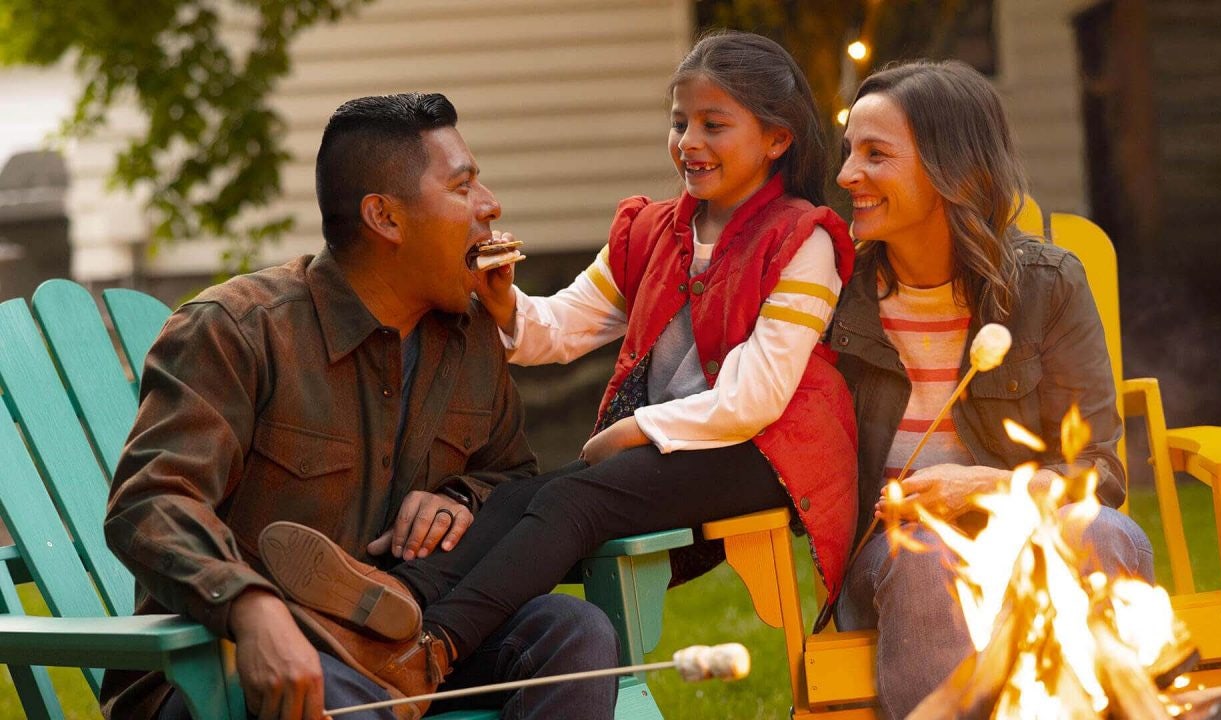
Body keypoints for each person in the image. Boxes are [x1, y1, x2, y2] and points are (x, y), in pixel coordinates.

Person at [254, 29, 860, 695]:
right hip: (668, 453)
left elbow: (758, 396)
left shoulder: (806, 242)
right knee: (515, 500)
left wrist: (637, 431)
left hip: (764, 454)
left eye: (715, 125)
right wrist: (506, 304)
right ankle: (379, 603)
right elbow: (567, 324)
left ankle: (430, 652)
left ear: (777, 138)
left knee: (574, 501)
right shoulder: (655, 232)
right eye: (680, 121)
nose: (689, 142)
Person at [103, 92, 620, 720]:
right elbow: (152, 501)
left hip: (403, 655)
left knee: (572, 631)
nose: (490, 206)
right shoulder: (236, 331)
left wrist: (459, 498)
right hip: (223, 667)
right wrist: (251, 607)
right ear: (386, 218)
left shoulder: (471, 339)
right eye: (463, 188)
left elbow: (509, 477)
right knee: (332, 689)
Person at [827, 60, 1155, 719]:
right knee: (924, 561)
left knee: (1100, 531)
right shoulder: (836, 295)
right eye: (848, 152)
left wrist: (985, 487)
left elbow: (1100, 473)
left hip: (1032, 533)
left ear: (950, 167)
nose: (845, 176)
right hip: (897, 562)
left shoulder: (1048, 285)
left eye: (875, 154)